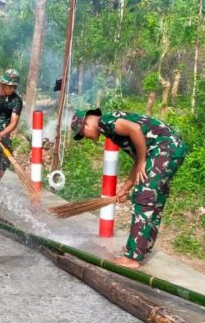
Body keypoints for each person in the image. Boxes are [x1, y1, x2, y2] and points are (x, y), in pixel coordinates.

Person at [71, 109, 187, 268]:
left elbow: (135, 129)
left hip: (163, 149)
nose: (86, 137)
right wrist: (125, 189)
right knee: (153, 201)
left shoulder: (105, 122)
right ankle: (141, 249)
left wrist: (142, 160)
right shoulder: (110, 129)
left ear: (86, 124)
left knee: (143, 199)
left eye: (82, 133)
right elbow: (137, 161)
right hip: (168, 149)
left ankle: (132, 258)